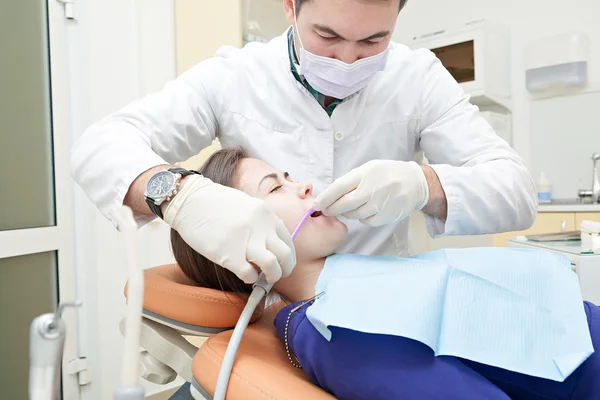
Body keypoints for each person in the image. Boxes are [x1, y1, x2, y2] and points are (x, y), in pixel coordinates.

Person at [71, 0, 538, 285]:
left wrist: (424, 183)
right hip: (274, 307)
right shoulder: (234, 77)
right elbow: (100, 146)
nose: (348, 59)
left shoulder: (418, 78)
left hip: (385, 297)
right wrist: (182, 197)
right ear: (291, 6)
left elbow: (515, 192)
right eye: (327, 35)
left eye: (375, 40)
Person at [168, 147, 599, 400]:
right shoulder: (336, 331)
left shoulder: (356, 284)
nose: (303, 185)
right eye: (275, 187)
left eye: (290, 177)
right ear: (236, 239)